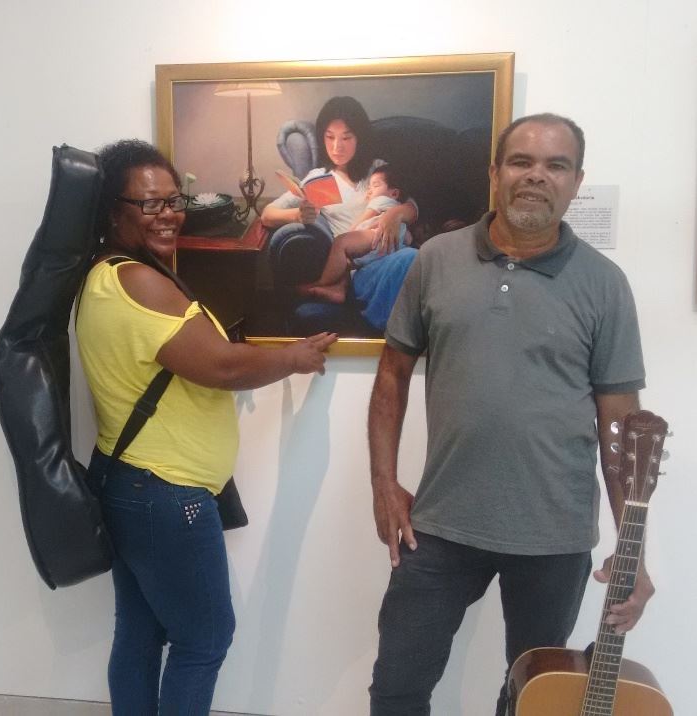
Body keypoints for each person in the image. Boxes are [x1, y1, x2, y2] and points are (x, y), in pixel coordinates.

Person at [366, 113, 653, 715]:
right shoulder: (436, 259)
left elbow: (620, 428)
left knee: (531, 698)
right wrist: (383, 483)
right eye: (521, 161)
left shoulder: (604, 284)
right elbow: (392, 374)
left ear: (576, 181)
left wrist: (634, 548)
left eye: (556, 165)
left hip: (554, 536)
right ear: (495, 172)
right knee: (397, 686)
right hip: (440, 525)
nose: (536, 176)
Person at [76, 139, 337, 715]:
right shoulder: (137, 282)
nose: (168, 214)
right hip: (164, 492)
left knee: (141, 632)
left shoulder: (107, 276)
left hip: (131, 484)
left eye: (174, 200)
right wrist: (294, 358)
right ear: (112, 211)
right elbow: (220, 367)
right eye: (149, 203)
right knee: (204, 640)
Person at [261, 96, 418, 331]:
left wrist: (395, 214)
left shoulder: (377, 169)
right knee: (410, 259)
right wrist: (298, 215)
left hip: (390, 249)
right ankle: (383, 331)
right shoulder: (319, 179)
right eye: (330, 137)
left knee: (413, 258)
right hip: (359, 268)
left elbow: (413, 206)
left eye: (346, 137)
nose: (337, 147)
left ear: (359, 137)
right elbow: (267, 214)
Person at [297, 164, 412, 303]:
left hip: (376, 236)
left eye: (375, 186)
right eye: (369, 186)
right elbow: (407, 237)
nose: (369, 190)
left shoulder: (381, 200)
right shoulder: (396, 206)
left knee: (341, 243)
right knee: (348, 263)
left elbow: (365, 218)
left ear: (394, 193)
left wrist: (349, 234)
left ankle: (323, 282)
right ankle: (340, 289)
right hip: (392, 245)